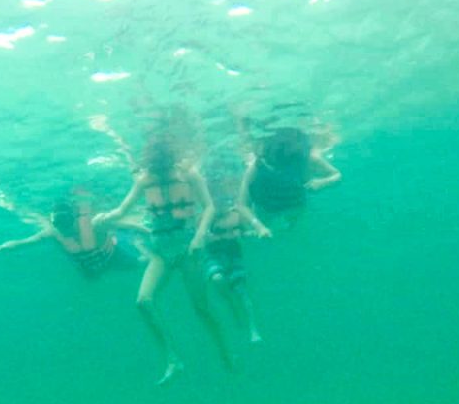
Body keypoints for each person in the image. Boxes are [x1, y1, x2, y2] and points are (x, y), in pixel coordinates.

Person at [94, 134, 236, 385]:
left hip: (188, 249)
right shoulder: (144, 180)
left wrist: (200, 237)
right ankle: (173, 358)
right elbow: (122, 210)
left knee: (201, 309)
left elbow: (210, 207)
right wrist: (103, 217)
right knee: (143, 302)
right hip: (161, 250)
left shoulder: (189, 174)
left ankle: (224, 351)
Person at [0, 190, 147, 280]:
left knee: (140, 263)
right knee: (92, 279)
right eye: (59, 224)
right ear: (54, 223)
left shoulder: (92, 225)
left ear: (74, 218)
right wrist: (0, 247)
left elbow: (124, 224)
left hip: (113, 256)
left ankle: (138, 245)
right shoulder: (53, 232)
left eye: (66, 222)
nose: (64, 228)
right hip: (88, 265)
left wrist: (145, 232)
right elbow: (25, 242)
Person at [205, 177, 271, 344]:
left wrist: (253, 234)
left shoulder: (236, 215)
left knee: (242, 290)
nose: (221, 204)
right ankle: (231, 305)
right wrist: (222, 235)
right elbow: (203, 238)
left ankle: (253, 328)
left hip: (234, 255)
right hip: (215, 256)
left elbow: (245, 232)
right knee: (217, 278)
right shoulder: (206, 218)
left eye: (224, 199)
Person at [239, 125, 341, 229]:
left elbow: (336, 175)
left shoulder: (308, 159)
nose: (280, 170)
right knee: (270, 228)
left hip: (295, 203)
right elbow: (242, 204)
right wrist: (258, 226)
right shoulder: (257, 166)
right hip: (266, 205)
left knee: (294, 229)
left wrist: (322, 182)